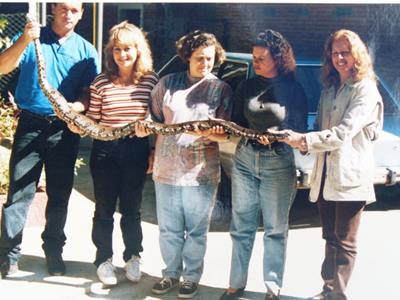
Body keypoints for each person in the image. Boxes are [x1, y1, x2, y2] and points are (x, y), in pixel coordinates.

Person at [281, 29, 383, 300]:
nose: (339, 58)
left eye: (345, 52)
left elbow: (342, 133)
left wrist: (303, 140)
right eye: (334, 53)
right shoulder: (329, 90)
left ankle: (337, 295)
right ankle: (329, 291)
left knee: (345, 243)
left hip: (351, 177)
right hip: (325, 176)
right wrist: (291, 132)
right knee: (330, 238)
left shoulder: (365, 90)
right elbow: (319, 128)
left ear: (357, 55)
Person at [0, 3, 100, 277]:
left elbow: (87, 95)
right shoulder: (33, 38)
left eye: (75, 10)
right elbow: (1, 66)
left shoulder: (86, 51)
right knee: (19, 193)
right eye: (64, 8)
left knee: (59, 194)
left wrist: (74, 109)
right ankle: (8, 256)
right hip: (30, 124)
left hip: (64, 129)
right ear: (53, 9)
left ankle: (54, 251)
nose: (69, 15)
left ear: (81, 14)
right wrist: (23, 39)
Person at [137, 30, 232, 299]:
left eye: (210, 59)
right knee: (168, 228)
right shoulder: (167, 84)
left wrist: (205, 132)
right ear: (187, 57)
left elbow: (225, 133)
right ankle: (170, 274)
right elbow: (153, 120)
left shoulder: (221, 89)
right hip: (166, 170)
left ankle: (191, 277)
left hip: (202, 173)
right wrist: (151, 145)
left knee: (197, 230)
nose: (205, 63)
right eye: (199, 58)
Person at [219, 29, 308, 300]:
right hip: (245, 158)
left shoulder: (293, 88)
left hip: (278, 161)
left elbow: (299, 127)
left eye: (262, 58)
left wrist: (277, 135)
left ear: (278, 58)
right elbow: (236, 122)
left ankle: (272, 288)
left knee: (275, 228)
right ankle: (235, 284)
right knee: (241, 225)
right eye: (254, 57)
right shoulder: (246, 85)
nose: (256, 62)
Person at [72, 21, 158, 286]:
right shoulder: (101, 82)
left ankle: (133, 256)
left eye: (128, 49)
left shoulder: (150, 81)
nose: (123, 55)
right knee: (104, 209)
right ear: (111, 52)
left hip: (135, 149)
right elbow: (95, 119)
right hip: (105, 150)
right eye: (118, 49)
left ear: (138, 50)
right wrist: (80, 124)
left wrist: (153, 150)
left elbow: (155, 120)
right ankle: (104, 260)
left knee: (132, 209)